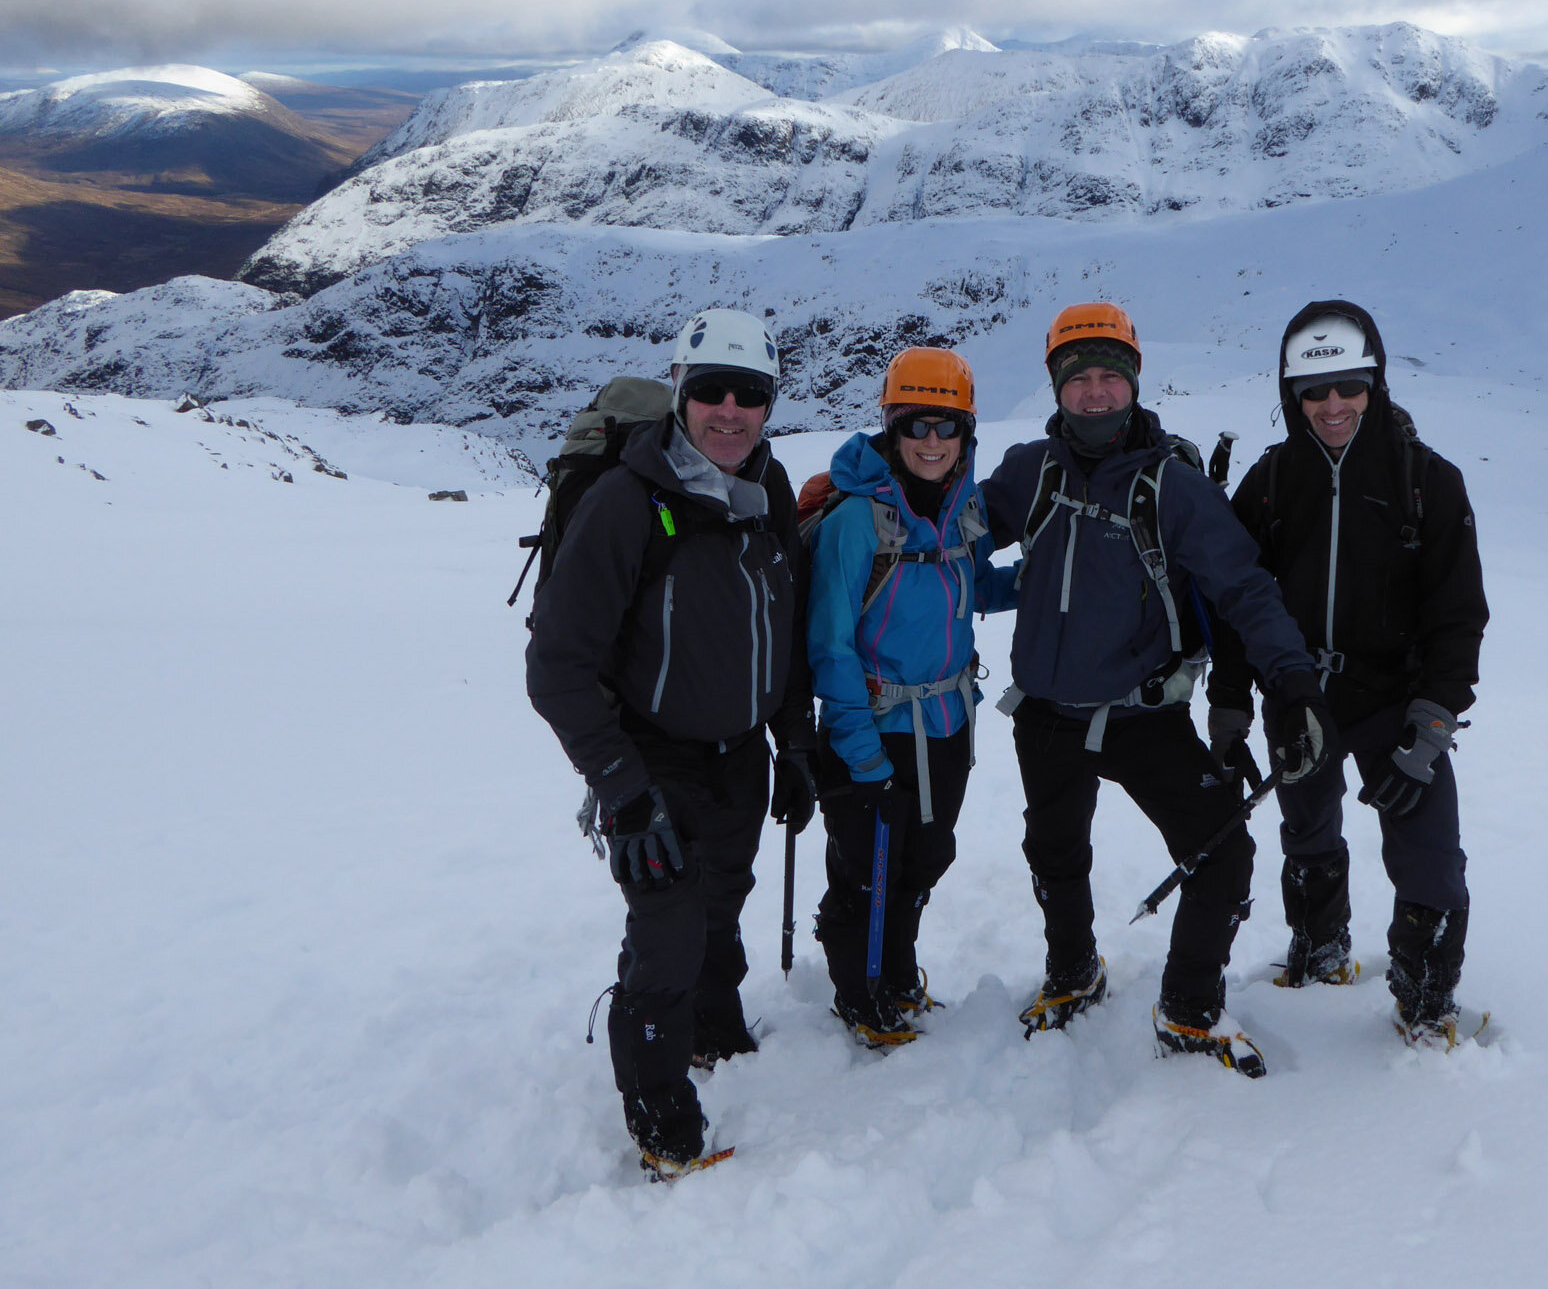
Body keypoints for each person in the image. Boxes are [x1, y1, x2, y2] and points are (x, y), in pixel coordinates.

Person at [981, 303, 1338, 1076]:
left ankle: (1188, 1007)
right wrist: (856, 502)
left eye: (1111, 375)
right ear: (1056, 385)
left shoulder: (1172, 486)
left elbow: (1245, 589)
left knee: (1223, 858)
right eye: (1080, 377)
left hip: (1145, 716)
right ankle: (1073, 973)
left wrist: (1294, 682)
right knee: (1055, 854)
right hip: (1046, 714)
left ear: (1135, 382)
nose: (1096, 391)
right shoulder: (1029, 472)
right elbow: (946, 527)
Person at [525, 306, 817, 1177]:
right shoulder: (626, 503)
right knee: (667, 937)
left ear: (770, 404)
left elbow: (785, 636)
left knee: (721, 901)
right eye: (712, 391)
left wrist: (795, 748)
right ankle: (663, 1125)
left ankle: (712, 1029)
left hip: (741, 755)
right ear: (681, 393)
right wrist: (623, 789)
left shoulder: (768, 490)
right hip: (651, 761)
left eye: (749, 394)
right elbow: (557, 667)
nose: (730, 411)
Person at [1208, 300, 1489, 1047]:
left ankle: (1426, 1000)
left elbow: (1458, 614)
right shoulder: (1271, 483)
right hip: (1299, 696)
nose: (1333, 405)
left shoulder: (1428, 482)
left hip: (1399, 700)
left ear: (1376, 383)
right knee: (1307, 831)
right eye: (1314, 391)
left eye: (1350, 387)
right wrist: (1230, 707)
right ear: (1291, 394)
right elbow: (1236, 603)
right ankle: (1321, 949)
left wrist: (1433, 721)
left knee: (1429, 854)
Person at [804, 346, 1017, 1046]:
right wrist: (860, 753)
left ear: (965, 433)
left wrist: (1031, 581)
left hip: (948, 722)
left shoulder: (962, 507)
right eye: (915, 425)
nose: (931, 441)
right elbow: (831, 644)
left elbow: (971, 587)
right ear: (892, 429)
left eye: (945, 426)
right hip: (874, 726)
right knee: (866, 871)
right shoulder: (855, 521)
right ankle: (859, 993)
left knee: (924, 858)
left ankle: (896, 974)